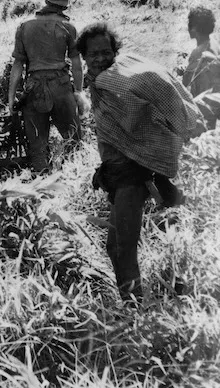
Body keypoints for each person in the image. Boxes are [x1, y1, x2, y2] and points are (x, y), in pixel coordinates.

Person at [77, 22, 203, 305]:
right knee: (114, 245)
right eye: (93, 54)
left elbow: (144, 122)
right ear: (83, 56)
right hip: (119, 171)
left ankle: (134, 310)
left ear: (114, 51)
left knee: (122, 247)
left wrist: (148, 158)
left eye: (105, 52)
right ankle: (133, 302)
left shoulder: (116, 80)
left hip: (132, 175)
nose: (100, 58)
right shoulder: (101, 82)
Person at [7, 0, 85, 174]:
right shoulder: (68, 28)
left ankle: (41, 186)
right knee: (73, 139)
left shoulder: (25, 27)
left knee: (37, 145)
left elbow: (18, 65)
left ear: (46, 2)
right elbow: (76, 64)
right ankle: (70, 180)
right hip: (61, 86)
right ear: (64, 7)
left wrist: (11, 99)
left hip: (33, 89)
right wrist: (78, 92)